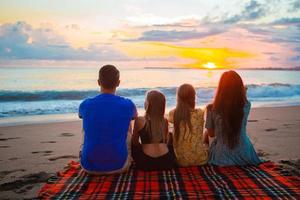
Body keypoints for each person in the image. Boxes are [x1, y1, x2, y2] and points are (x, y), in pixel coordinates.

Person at [79, 65, 137, 174]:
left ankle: (92, 153)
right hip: (120, 166)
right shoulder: (128, 104)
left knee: (87, 122)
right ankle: (118, 153)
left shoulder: (86, 104)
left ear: (98, 82)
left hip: (88, 166)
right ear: (118, 83)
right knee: (128, 122)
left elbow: (81, 116)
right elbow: (134, 117)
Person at [204, 70, 262, 166]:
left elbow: (211, 134)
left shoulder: (211, 108)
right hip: (245, 154)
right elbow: (240, 104)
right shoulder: (246, 105)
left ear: (221, 88)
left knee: (206, 133)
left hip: (221, 157)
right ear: (240, 88)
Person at [131, 90, 177, 171]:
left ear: (148, 104)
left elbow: (134, 142)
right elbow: (166, 141)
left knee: (132, 144)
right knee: (170, 136)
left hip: (146, 162)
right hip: (166, 161)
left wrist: (143, 146)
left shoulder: (140, 120)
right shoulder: (165, 121)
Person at [168, 84, 208, 166]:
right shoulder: (200, 113)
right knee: (206, 143)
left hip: (180, 161)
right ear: (193, 97)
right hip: (200, 160)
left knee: (170, 134)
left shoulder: (173, 113)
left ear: (178, 98)